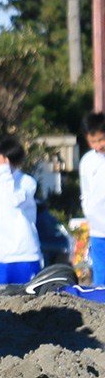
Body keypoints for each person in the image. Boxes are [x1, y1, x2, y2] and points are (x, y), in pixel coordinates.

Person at [0, 137, 44, 286]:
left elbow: (16, 200)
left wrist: (4, 172)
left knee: (28, 306)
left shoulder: (28, 182)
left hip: (24, 257)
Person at [83, 114, 105, 284]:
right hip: (98, 233)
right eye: (93, 141)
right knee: (101, 285)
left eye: (101, 139)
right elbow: (85, 194)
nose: (98, 145)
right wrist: (90, 216)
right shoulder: (87, 162)